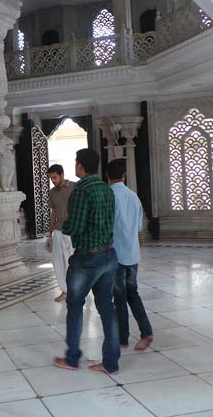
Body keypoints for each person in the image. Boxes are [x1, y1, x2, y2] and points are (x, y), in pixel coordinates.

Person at [53, 148, 120, 375]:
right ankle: (110, 363)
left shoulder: (81, 191)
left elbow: (76, 226)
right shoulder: (106, 188)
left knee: (74, 306)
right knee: (107, 309)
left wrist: (65, 225)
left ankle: (72, 358)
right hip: (109, 255)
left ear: (80, 166)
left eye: (76, 162)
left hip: (87, 257)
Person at [106, 159, 153, 351]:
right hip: (132, 254)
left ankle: (122, 337)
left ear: (107, 176)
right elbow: (140, 226)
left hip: (116, 254)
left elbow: (106, 226)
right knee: (132, 292)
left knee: (118, 295)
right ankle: (146, 331)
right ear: (124, 176)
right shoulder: (134, 197)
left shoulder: (109, 196)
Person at [47, 164, 75, 303]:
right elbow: (53, 213)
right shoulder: (52, 193)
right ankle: (65, 290)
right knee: (58, 262)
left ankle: (76, 290)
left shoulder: (74, 187)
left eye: (55, 177)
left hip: (72, 231)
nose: (53, 180)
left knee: (71, 262)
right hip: (58, 231)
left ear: (62, 175)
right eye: (51, 178)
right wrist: (49, 234)